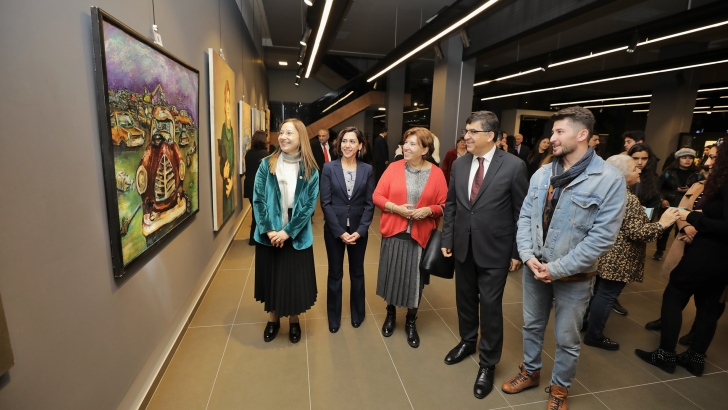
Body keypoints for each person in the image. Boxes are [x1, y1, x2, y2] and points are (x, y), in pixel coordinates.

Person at [503, 106, 626, 410]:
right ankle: (530, 372)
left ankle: (559, 388)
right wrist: (527, 255)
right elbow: (525, 218)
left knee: (567, 338)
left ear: (582, 134)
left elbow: (602, 238)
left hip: (575, 276)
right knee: (532, 326)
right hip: (535, 269)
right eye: (553, 131)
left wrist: (556, 269)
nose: (553, 137)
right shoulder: (543, 173)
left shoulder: (609, 179)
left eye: (560, 131)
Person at [440, 111, 528, 400]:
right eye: (466, 131)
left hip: (496, 250)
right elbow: (452, 205)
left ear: (490, 135)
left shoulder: (513, 166)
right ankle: (468, 341)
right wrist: (447, 237)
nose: (466, 136)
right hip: (463, 246)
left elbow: (521, 212)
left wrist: (516, 251)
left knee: (490, 306)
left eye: (472, 131)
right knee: (465, 299)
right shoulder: (460, 164)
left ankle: (488, 363)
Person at [636, 140, 728, 377]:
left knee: (674, 296)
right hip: (722, 260)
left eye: (715, 157)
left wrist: (693, 217)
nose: (709, 162)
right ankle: (695, 359)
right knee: (709, 306)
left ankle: (665, 355)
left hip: (707, 253)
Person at [582, 155, 679, 351]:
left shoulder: (601, 190)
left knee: (597, 291)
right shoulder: (628, 198)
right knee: (606, 295)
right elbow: (638, 232)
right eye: (635, 168)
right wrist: (663, 223)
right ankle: (594, 335)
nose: (639, 170)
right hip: (618, 255)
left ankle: (584, 324)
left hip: (600, 250)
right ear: (621, 174)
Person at [373, 127, 447, 349]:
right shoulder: (393, 168)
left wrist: (429, 210)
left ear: (425, 150)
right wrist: (395, 208)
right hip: (394, 233)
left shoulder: (437, 174)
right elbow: (377, 195)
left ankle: (411, 321)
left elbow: (445, 204)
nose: (405, 147)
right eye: (405, 142)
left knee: (415, 282)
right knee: (392, 275)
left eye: (412, 144)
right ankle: (390, 314)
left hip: (420, 237)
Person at [253, 118, 319, 344]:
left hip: (296, 231)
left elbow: (308, 206)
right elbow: (258, 200)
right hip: (270, 230)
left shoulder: (311, 169)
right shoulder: (266, 164)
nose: (283, 137)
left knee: (293, 279)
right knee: (273, 277)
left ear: (301, 137)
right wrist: (270, 230)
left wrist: (288, 232)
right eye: (281, 132)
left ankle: (293, 320)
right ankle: (272, 320)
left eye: (289, 133)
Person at [320, 127, 375, 333]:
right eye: (344, 141)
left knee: (357, 272)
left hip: (359, 229)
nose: (347, 145)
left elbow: (370, 203)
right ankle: (334, 317)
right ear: (339, 144)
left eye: (352, 141)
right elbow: (325, 203)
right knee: (335, 273)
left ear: (360, 145)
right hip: (335, 229)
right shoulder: (329, 168)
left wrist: (361, 230)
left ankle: (357, 314)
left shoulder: (367, 169)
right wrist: (339, 231)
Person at [653, 148, 704, 260]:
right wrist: (662, 199)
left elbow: (702, 190)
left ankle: (679, 254)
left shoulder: (698, 174)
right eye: (684, 157)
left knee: (681, 231)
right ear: (678, 159)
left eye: (690, 158)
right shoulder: (668, 173)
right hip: (669, 204)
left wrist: (690, 190)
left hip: (686, 206)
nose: (687, 160)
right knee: (664, 230)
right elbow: (658, 188)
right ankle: (659, 251)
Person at [244, 130, 271, 245]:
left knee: (256, 212)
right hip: (260, 187)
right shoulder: (265, 155)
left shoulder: (248, 153)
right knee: (260, 213)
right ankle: (255, 238)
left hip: (249, 186)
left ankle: (254, 238)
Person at [219, 80, 235, 221]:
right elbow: (222, 157)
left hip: (230, 180)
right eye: (226, 101)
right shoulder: (223, 129)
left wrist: (232, 178)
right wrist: (225, 176)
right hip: (226, 179)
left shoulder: (231, 130)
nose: (228, 106)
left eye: (229, 101)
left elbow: (233, 156)